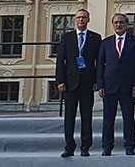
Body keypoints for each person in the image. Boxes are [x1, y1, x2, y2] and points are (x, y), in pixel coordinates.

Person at [96, 13, 135, 156]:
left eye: (121, 22)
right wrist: (100, 85)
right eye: (116, 22)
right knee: (108, 119)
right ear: (113, 24)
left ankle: (130, 146)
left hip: (128, 86)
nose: (119, 25)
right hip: (109, 85)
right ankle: (107, 147)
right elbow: (100, 65)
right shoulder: (106, 43)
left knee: (128, 118)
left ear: (126, 24)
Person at [56, 9, 101, 158]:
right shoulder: (66, 38)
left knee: (87, 117)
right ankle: (69, 146)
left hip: (88, 83)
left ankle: (85, 147)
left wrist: (97, 81)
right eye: (78, 18)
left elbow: (99, 63)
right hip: (70, 83)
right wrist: (60, 80)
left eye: (84, 18)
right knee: (69, 117)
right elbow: (60, 61)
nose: (81, 20)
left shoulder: (95, 38)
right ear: (74, 20)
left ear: (88, 20)